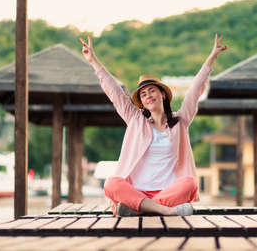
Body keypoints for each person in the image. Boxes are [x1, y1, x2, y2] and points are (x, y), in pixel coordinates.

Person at [80, 34, 227, 216]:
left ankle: (139, 210)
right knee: (112, 184)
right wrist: (93, 60)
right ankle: (164, 211)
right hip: (137, 191)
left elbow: (195, 91)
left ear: (163, 95)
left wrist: (211, 58)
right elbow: (114, 92)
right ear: (141, 102)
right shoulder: (135, 120)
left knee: (190, 182)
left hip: (167, 192)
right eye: (143, 95)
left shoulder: (180, 122)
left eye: (152, 91)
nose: (148, 96)